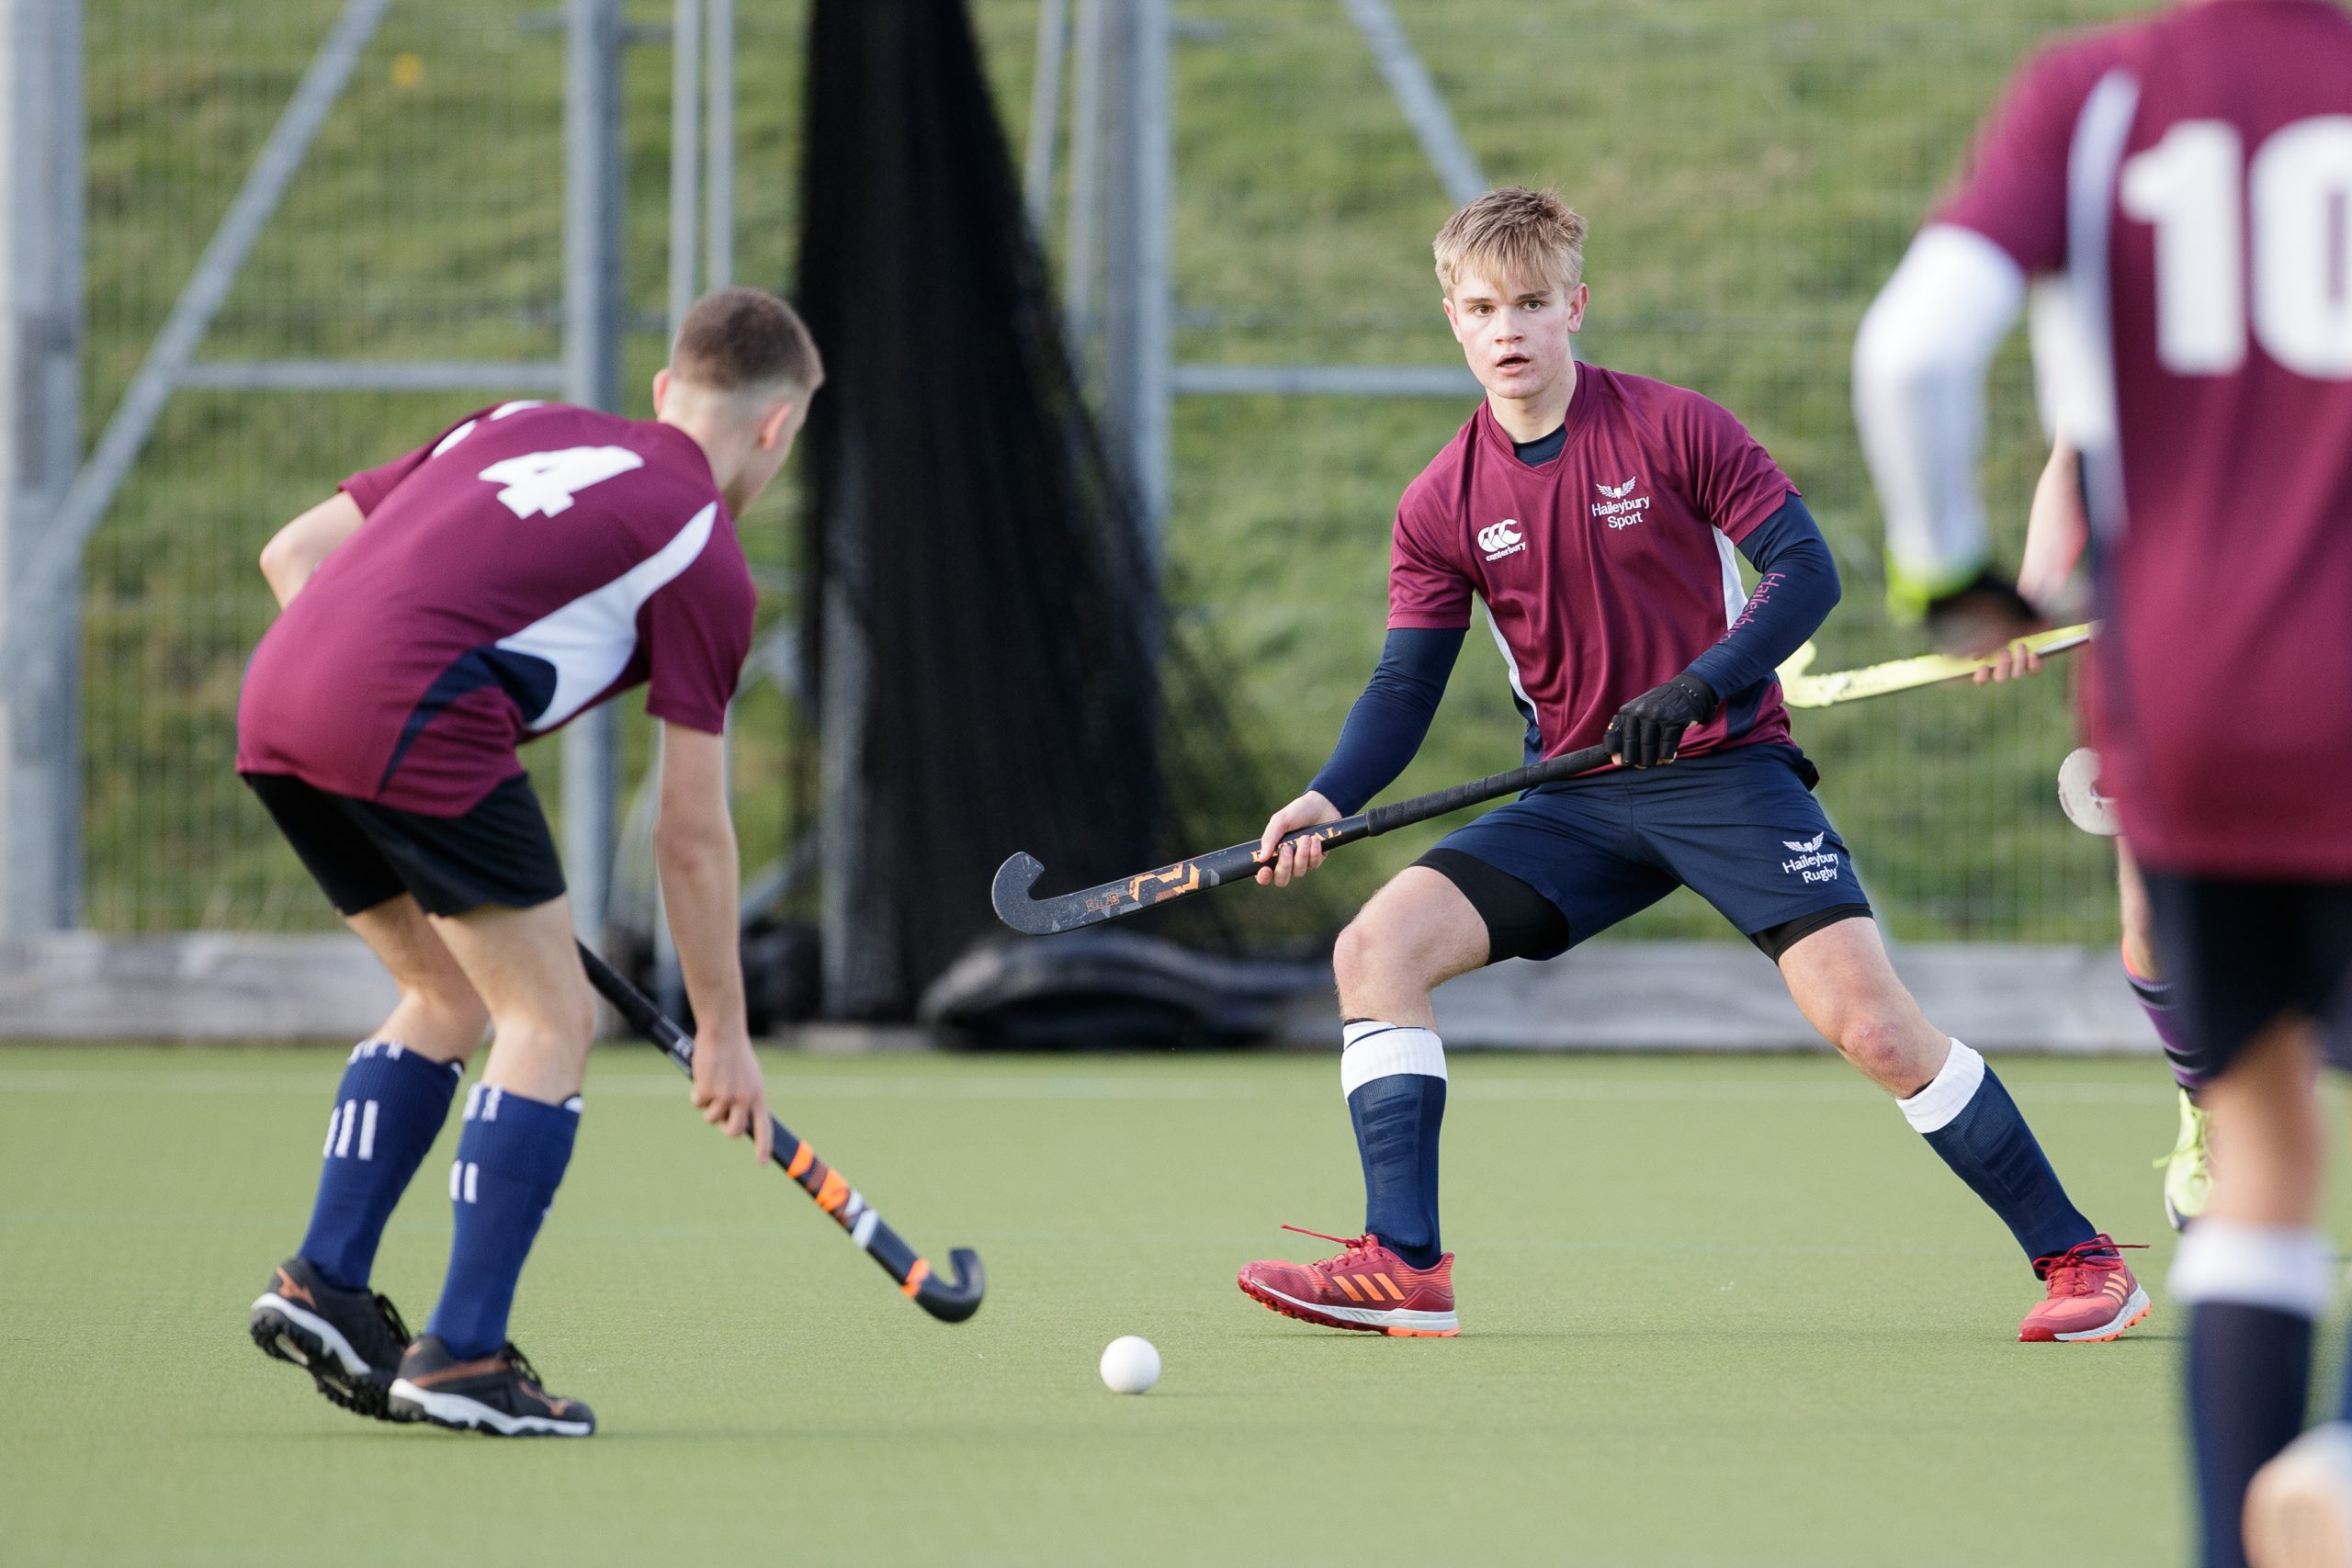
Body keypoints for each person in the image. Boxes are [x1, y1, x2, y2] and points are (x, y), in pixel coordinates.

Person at [1236, 186, 2143, 1348]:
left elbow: (1804, 571)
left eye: (1528, 302)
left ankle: (2082, 1261)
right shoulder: (1441, 502)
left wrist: (1699, 684)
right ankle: (1405, 1266)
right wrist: (1327, 797)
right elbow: (1404, 687)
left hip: (1724, 771)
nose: (1506, 328)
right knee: (1376, 949)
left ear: (1575, 304)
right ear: (1451, 319)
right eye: (1480, 307)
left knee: (1872, 1027)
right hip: (1570, 797)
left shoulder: (1673, 429)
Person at [1850, 4, 2352, 1560]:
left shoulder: (2094, 92)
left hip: (2187, 705)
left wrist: (1957, 580)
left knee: (2264, 1139)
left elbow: (1912, 349)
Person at [239, 287, 822, 1438]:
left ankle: (326, 1287)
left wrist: (361, 694)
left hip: (280, 698)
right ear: (774, 428)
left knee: (449, 991)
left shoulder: (514, 421)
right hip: (411, 714)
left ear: (664, 392)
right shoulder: (704, 551)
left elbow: (293, 553)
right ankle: (461, 1357)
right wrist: (723, 1031)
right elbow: (689, 836)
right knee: (548, 1017)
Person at [1974, 434, 2211, 1229]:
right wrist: (2034, 597)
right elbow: (2076, 457)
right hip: (2164, 654)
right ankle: (2205, 1104)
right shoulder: (2138, 314)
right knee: (2153, 919)